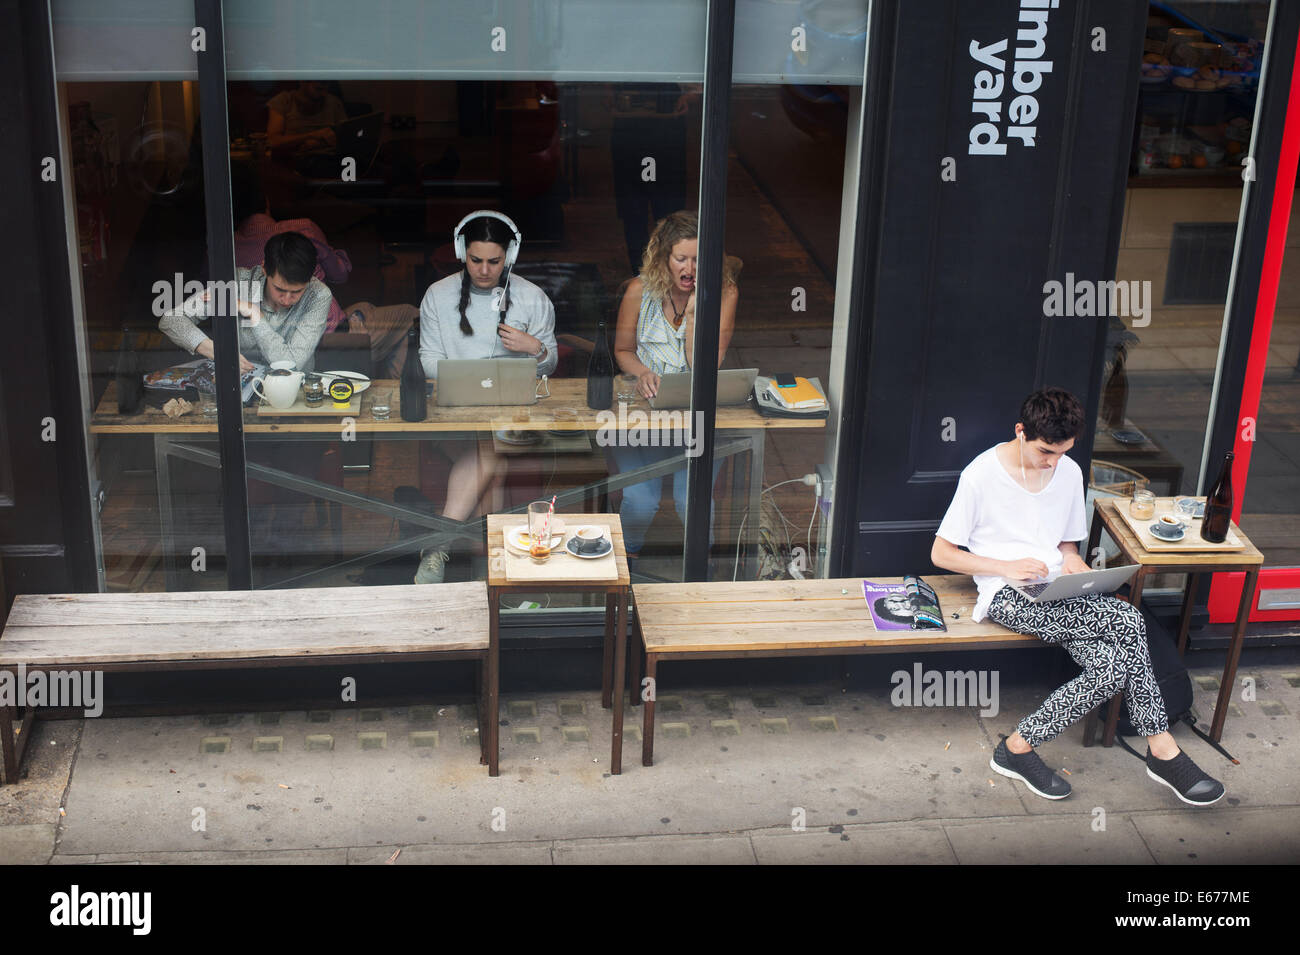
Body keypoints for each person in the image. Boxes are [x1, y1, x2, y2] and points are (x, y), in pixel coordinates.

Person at [931, 388, 1225, 806]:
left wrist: (1073, 563)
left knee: (1112, 663)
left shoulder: (1068, 472)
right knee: (1127, 620)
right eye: (1046, 451)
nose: (1053, 462)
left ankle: (1017, 746)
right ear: (1020, 431)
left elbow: (1066, 545)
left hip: (1060, 589)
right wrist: (1005, 567)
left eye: (1063, 451)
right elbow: (941, 553)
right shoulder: (981, 475)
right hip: (1006, 593)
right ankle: (1162, 751)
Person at [413, 211, 558, 584]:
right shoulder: (438, 295)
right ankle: (488, 575)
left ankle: (438, 548)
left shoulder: (532, 297)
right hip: (454, 414)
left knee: (492, 452)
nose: (483, 270)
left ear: (509, 256)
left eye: (494, 261)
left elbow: (550, 364)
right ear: (462, 251)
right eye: (476, 260)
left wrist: (535, 348)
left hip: (513, 420)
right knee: (492, 455)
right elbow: (428, 360)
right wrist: (471, 377)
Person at [611, 211, 738, 557]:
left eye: (698, 260)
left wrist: (695, 315)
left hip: (695, 422)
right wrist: (641, 372)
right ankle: (626, 571)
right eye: (681, 258)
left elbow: (703, 365)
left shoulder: (724, 293)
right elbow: (622, 350)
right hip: (645, 417)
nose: (690, 268)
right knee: (641, 500)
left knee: (690, 502)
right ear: (664, 257)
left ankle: (701, 579)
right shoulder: (639, 290)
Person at [158, 231, 330, 373]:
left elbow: (291, 365)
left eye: (297, 291)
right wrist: (218, 352)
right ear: (264, 270)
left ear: (309, 280)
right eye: (279, 289)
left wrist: (254, 315)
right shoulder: (238, 283)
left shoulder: (318, 295)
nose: (286, 299)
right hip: (238, 391)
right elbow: (171, 320)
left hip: (293, 392)